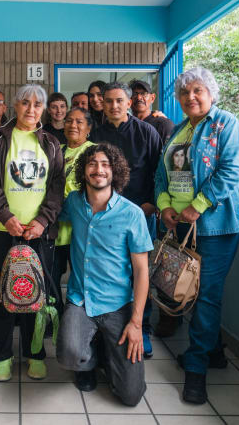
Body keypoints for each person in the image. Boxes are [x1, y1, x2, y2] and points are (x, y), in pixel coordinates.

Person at [155, 66, 239, 404]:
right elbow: (161, 175)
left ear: (211, 93)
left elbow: (233, 169)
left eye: (197, 91)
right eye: (184, 92)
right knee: (190, 292)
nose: (190, 97)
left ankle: (196, 370)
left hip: (216, 223)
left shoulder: (226, 125)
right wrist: (166, 206)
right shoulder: (179, 130)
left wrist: (198, 204)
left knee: (206, 294)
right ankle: (213, 352)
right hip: (181, 223)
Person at [0, 84, 65, 381]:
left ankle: (34, 353)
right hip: (2, 230)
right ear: (15, 106)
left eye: (37, 104)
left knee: (35, 294)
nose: (31, 109)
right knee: (1, 292)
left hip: (38, 233)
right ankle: (2, 355)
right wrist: (6, 217)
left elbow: (56, 188)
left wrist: (42, 221)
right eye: (25, 103)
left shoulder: (52, 144)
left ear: (43, 109)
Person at [56, 143, 152, 406]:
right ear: (84, 170)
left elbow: (142, 271)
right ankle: (91, 360)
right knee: (67, 355)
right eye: (92, 164)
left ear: (115, 171)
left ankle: (110, 355)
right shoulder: (74, 203)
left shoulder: (132, 214)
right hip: (80, 300)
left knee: (131, 396)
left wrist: (136, 323)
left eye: (105, 164)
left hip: (117, 306)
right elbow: (49, 212)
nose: (99, 170)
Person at [90, 82, 162, 358]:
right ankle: (104, 327)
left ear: (129, 103)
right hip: (104, 216)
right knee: (108, 270)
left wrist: (151, 203)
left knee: (141, 272)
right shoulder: (96, 135)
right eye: (108, 101)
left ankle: (141, 327)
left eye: (119, 100)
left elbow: (159, 173)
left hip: (140, 213)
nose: (114, 106)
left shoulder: (147, 132)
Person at [52, 108, 95, 313]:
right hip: (56, 227)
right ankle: (55, 319)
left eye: (79, 122)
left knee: (82, 275)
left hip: (82, 226)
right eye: (69, 121)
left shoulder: (94, 151)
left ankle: (81, 318)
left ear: (88, 128)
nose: (73, 125)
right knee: (51, 275)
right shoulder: (56, 150)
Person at [129, 79, 175, 144]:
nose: (139, 97)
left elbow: (170, 152)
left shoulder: (163, 125)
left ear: (152, 98)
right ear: (128, 99)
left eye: (144, 93)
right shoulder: (125, 125)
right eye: (134, 94)